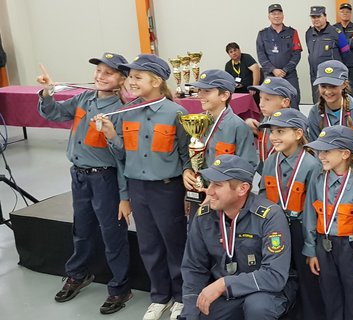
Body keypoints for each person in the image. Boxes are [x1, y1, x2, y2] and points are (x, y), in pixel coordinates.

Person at [95, 54, 191, 320]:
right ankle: (159, 296)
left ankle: (182, 296)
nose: (131, 82)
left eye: (138, 77)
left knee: (175, 244)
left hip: (167, 190)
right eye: (131, 77)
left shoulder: (176, 113)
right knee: (149, 245)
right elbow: (123, 157)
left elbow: (186, 157)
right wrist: (112, 136)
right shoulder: (127, 112)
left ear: (157, 80)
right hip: (138, 189)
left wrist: (186, 194)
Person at [37, 53, 132, 314]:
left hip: (105, 179)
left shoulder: (123, 111)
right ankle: (78, 273)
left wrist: (125, 196)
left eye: (108, 73)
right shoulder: (83, 99)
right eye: (99, 71)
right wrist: (47, 93)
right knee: (82, 228)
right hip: (79, 176)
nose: (101, 76)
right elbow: (55, 113)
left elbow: (123, 157)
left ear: (121, 79)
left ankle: (120, 287)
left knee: (113, 234)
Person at [179, 155, 293, 320]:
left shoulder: (270, 216)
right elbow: (194, 268)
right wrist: (190, 314)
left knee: (258, 308)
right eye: (209, 183)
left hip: (265, 292)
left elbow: (274, 276)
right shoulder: (204, 215)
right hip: (227, 293)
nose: (209, 191)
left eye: (217, 185)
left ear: (242, 189)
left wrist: (224, 284)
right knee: (201, 313)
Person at [258, 108, 325, 320]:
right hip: (275, 228)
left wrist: (310, 243)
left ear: (298, 134)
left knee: (307, 279)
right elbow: (262, 193)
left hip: (301, 229)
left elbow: (315, 208)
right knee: (279, 274)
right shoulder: (270, 163)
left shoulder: (312, 165)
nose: (274, 137)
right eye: (271, 132)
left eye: (280, 131)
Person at [302, 126, 353, 320]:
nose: (321, 156)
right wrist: (311, 250)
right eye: (319, 151)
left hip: (351, 248)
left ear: (345, 154)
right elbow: (310, 215)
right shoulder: (318, 179)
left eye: (326, 151)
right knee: (329, 295)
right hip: (324, 247)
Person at [183, 69, 258, 215]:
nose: (200, 96)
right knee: (196, 234)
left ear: (224, 95)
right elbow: (188, 154)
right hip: (197, 192)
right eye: (200, 90)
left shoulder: (238, 127)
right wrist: (186, 171)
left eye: (207, 91)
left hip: (225, 201)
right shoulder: (195, 122)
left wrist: (215, 193)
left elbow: (247, 168)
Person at [307, 60, 353, 147]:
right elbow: (313, 146)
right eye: (323, 86)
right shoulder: (315, 112)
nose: (327, 92)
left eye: (333, 86)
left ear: (344, 84)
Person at [246, 77, 298, 172]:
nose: (261, 104)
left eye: (267, 99)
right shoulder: (266, 120)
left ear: (285, 102)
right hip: (267, 174)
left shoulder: (294, 127)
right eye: (260, 98)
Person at [256, 3, 302, 109]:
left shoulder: (292, 32)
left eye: (279, 13)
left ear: (283, 15)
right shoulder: (262, 34)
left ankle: (294, 125)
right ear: (269, 17)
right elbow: (261, 55)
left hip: (290, 76)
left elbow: (297, 54)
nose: (276, 16)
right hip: (271, 75)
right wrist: (273, 70)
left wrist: (285, 70)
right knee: (271, 104)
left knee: (293, 102)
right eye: (273, 14)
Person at [306, 5, 350, 104]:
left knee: (334, 103)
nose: (316, 19)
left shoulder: (336, 32)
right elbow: (310, 52)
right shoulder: (309, 33)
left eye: (318, 16)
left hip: (332, 77)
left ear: (325, 17)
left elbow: (346, 52)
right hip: (316, 76)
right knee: (317, 103)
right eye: (313, 17)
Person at [334, 2, 353, 98]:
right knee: (337, 89)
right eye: (342, 12)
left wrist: (341, 42)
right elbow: (333, 44)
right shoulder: (333, 28)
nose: (345, 13)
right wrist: (349, 41)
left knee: (352, 89)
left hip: (352, 64)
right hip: (338, 63)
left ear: (351, 14)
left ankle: (352, 112)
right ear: (339, 14)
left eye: (347, 12)